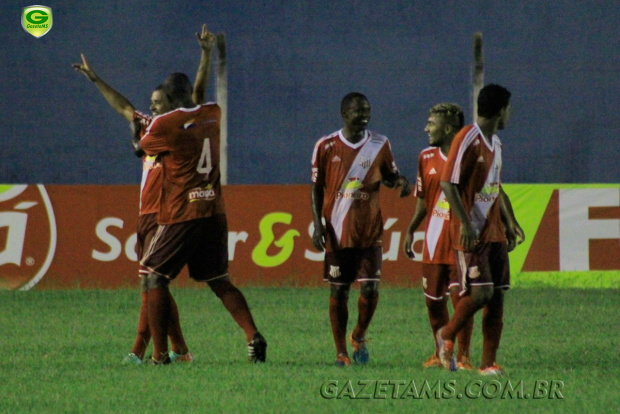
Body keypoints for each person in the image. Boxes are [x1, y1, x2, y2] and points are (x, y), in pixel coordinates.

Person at [72, 25, 216, 364]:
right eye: (150, 103)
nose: (151, 108)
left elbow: (197, 94)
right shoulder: (151, 123)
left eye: (157, 103)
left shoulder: (180, 126)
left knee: (151, 285)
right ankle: (180, 351)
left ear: (171, 104)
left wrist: (205, 55)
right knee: (155, 285)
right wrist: (95, 79)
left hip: (167, 214)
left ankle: (142, 351)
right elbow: (123, 107)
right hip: (146, 214)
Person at [137, 72, 267, 365]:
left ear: (169, 99)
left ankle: (159, 356)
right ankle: (252, 334)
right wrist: (206, 55)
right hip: (214, 211)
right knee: (220, 280)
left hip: (181, 213)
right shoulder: (213, 112)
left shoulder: (163, 124)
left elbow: (141, 149)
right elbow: (198, 94)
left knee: (154, 278)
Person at [311, 92, 411, 366]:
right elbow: (316, 188)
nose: (365, 115)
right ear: (345, 113)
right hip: (337, 231)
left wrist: (401, 182)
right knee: (339, 292)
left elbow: (390, 177)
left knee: (369, 289)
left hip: (370, 231)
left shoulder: (380, 143)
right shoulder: (325, 145)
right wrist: (318, 224)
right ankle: (341, 352)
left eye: (368, 110)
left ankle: (359, 334)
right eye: (359, 111)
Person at [437, 84, 524, 375]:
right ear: (500, 111)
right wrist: (464, 222)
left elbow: (494, 189)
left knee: (496, 296)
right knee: (481, 293)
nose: (509, 115)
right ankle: (446, 335)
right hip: (470, 233)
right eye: (509, 109)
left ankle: (488, 363)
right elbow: (447, 183)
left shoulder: (496, 144)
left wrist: (510, 223)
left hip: (494, 231)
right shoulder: (466, 138)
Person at [403, 103, 475, 370]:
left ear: (447, 129)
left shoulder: (470, 156)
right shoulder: (425, 157)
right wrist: (411, 228)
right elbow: (423, 199)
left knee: (461, 301)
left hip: (460, 241)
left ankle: (464, 356)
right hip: (433, 242)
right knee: (433, 302)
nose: (426, 128)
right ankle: (440, 353)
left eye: (431, 124)